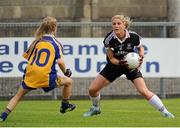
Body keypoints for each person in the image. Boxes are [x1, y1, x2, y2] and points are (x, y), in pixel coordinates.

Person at [83, 14, 175, 118]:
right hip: (114, 66)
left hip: (131, 66)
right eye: (114, 24)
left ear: (125, 25)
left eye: (119, 23)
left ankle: (165, 112)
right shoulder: (109, 39)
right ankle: (95, 108)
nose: (116, 26)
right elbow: (111, 58)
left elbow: (141, 48)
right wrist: (120, 63)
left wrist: (141, 57)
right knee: (92, 89)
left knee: (144, 91)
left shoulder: (134, 36)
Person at [0, 16, 76, 121]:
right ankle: (65, 105)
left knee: (18, 95)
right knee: (69, 81)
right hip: (46, 76)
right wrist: (66, 72)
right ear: (54, 28)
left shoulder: (36, 42)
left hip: (31, 73)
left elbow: (28, 57)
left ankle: (3, 116)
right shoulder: (56, 43)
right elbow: (60, 62)